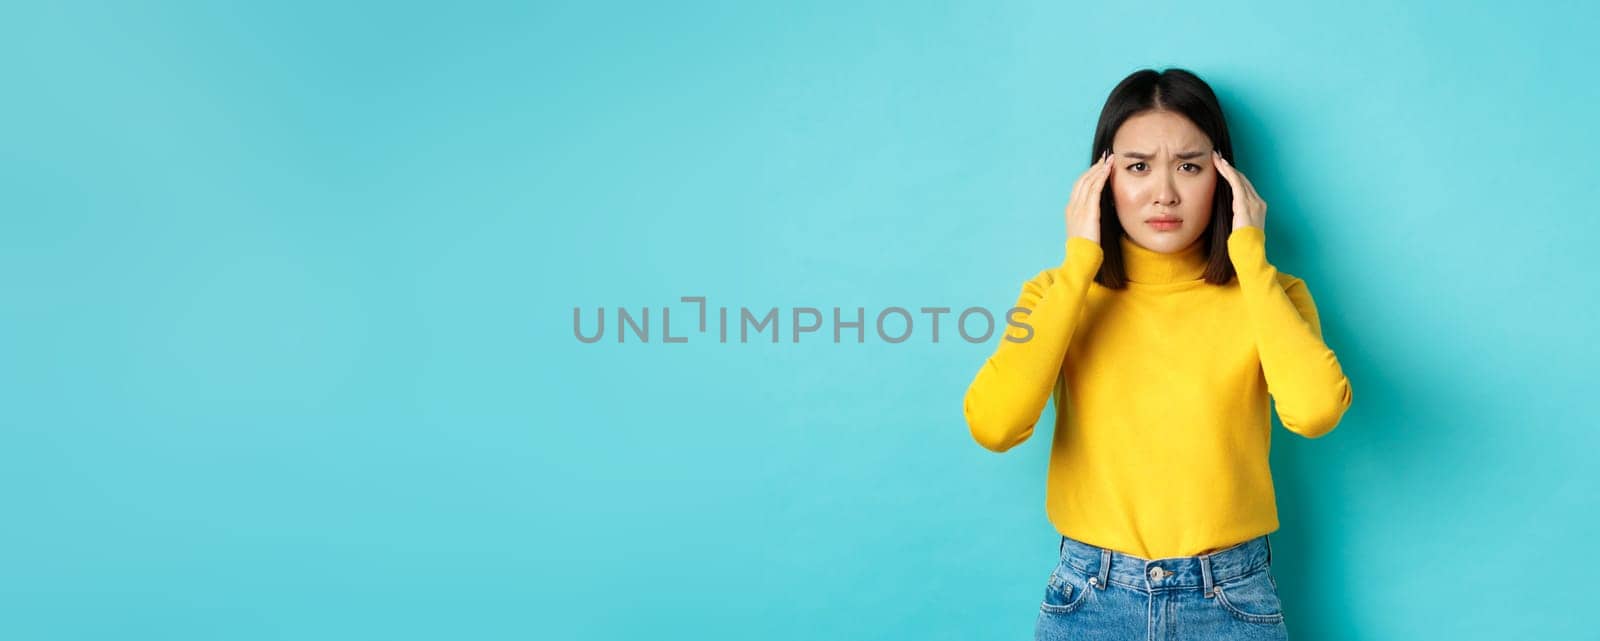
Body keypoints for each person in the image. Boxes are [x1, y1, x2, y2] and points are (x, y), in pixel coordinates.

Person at [961, 68, 1354, 640]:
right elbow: (994, 424)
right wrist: (1078, 266)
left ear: (1224, 179)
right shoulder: (1052, 296)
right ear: (1101, 178)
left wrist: (1249, 254)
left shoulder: (1272, 293)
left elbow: (1316, 412)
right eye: (1138, 166)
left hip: (1231, 598)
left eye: (1190, 166)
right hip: (1090, 597)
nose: (1164, 192)